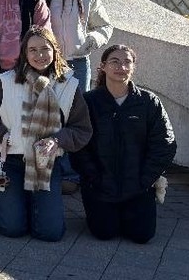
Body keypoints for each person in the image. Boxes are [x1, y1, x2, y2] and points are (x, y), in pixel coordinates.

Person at [0, 27, 93, 242]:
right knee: (12, 229)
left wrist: (57, 140)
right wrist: (4, 137)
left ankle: (31, 201)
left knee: (50, 233)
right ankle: (15, 201)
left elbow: (81, 129)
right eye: (33, 50)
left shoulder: (68, 84)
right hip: (9, 161)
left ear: (54, 51)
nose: (39, 55)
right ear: (24, 53)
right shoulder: (6, 81)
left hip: (46, 164)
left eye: (45, 49)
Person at [72, 45, 176, 244]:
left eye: (127, 61)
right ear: (103, 66)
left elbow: (165, 143)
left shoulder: (148, 102)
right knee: (104, 232)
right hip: (100, 187)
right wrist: (94, 178)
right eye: (114, 61)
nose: (121, 66)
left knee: (142, 236)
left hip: (138, 187)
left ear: (133, 67)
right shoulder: (88, 102)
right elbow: (78, 143)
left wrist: (145, 180)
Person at [35, 0, 113, 92]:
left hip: (78, 64)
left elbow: (105, 26)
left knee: (79, 109)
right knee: (50, 109)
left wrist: (91, 41)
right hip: (47, 63)